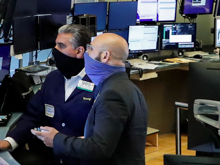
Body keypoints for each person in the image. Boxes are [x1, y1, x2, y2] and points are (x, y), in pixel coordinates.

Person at [32, 33, 149, 165]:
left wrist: (56, 139)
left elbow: (100, 148)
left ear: (105, 56)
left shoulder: (112, 94)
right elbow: (110, 137)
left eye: (91, 49)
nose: (85, 54)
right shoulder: (127, 87)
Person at [0, 24, 96, 165]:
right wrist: (10, 141)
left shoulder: (97, 83)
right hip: (53, 159)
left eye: (61, 46)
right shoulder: (53, 79)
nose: (55, 50)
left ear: (79, 51)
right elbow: (32, 115)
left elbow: (100, 138)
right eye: (55, 45)